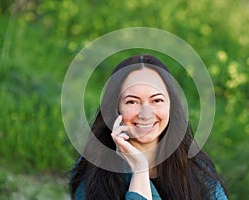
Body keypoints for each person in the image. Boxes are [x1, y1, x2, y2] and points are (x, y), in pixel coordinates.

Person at [69, 54, 228, 200]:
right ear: (115, 108)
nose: (145, 114)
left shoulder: (197, 169)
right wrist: (140, 170)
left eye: (156, 100)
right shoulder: (93, 171)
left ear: (171, 106)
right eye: (132, 102)